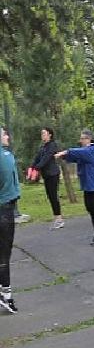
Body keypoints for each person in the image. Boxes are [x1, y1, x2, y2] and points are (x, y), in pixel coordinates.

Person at [55, 130, 94, 245]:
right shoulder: (84, 153)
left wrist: (66, 152)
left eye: (82, 138)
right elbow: (74, 157)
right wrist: (64, 156)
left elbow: (77, 152)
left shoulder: (91, 151)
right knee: (90, 209)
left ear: (89, 139)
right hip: (88, 187)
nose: (80, 140)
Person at [0, 127, 19, 313]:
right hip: (4, 209)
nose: (7, 136)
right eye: (4, 134)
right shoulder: (6, 157)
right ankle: (6, 295)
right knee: (4, 255)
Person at [29, 127, 64, 230]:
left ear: (50, 135)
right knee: (50, 196)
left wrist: (36, 168)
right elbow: (37, 158)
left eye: (44, 133)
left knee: (53, 196)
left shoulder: (52, 145)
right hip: (47, 175)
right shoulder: (43, 146)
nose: (42, 135)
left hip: (53, 174)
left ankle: (59, 220)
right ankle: (57, 218)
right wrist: (31, 167)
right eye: (41, 133)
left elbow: (46, 159)